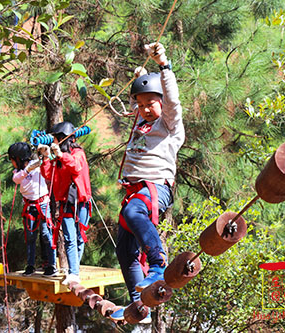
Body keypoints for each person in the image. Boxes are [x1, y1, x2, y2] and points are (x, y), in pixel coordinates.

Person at [110, 42, 185, 323]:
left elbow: (173, 101)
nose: (145, 109)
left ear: (162, 103)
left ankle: (158, 262)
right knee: (125, 250)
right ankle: (137, 307)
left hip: (155, 187)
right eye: (140, 105)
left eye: (151, 103)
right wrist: (141, 78)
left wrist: (162, 64)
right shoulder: (141, 123)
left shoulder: (168, 125)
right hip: (135, 191)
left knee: (133, 214)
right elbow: (139, 103)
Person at [38, 122, 92, 286]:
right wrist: (46, 157)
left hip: (81, 202)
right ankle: (73, 272)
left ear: (62, 138)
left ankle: (75, 267)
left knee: (79, 237)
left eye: (55, 137)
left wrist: (60, 154)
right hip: (66, 202)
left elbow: (76, 167)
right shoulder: (58, 158)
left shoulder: (78, 153)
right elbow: (47, 174)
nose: (53, 141)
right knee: (69, 238)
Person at [8, 142, 57, 277]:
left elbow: (50, 162)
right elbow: (16, 179)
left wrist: (44, 155)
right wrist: (27, 170)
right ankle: (30, 265)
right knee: (30, 237)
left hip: (42, 204)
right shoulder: (19, 172)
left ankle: (52, 265)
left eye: (12, 160)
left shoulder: (37, 165)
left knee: (47, 234)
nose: (12, 163)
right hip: (29, 206)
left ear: (18, 159)